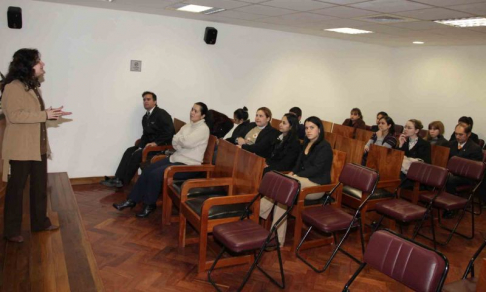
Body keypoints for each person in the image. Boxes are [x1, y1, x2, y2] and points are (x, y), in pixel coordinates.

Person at [1, 48, 71, 243]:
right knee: (16, 190)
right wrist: (44, 115)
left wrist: (49, 113)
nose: (43, 64)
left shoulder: (32, 87)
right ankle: (11, 230)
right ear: (27, 65)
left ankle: (40, 222)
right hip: (21, 148)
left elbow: (32, 115)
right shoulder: (12, 87)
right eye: (39, 61)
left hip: (37, 147)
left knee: (40, 187)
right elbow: (14, 116)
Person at [113, 102, 210, 218]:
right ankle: (132, 200)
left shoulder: (203, 129)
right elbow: (175, 141)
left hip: (190, 165)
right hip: (176, 158)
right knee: (148, 169)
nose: (192, 112)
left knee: (156, 175)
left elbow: (186, 142)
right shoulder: (188, 126)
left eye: (196, 111)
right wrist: (181, 141)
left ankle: (149, 204)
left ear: (203, 116)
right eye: (192, 109)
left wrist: (181, 140)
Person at [260, 117, 333, 246]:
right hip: (300, 182)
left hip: (316, 186)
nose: (308, 131)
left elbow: (316, 169)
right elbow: (298, 163)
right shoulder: (306, 142)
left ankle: (258, 212)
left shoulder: (325, 147)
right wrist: (293, 172)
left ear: (319, 129)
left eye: (312, 128)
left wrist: (295, 175)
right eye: (306, 128)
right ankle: (277, 238)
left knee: (285, 185)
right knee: (283, 192)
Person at [101, 91, 175, 188]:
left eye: (148, 99)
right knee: (129, 150)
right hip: (148, 146)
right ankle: (117, 178)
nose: (145, 101)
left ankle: (124, 181)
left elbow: (170, 132)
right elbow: (145, 135)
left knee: (137, 154)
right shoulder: (145, 117)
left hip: (160, 147)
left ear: (155, 102)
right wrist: (140, 146)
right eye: (144, 100)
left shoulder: (162, 114)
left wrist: (156, 143)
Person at [443, 123, 483, 218]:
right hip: (450, 172)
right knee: (439, 174)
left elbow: (473, 169)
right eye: (456, 134)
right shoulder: (451, 144)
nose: (457, 136)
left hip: (465, 177)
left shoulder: (475, 148)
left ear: (468, 134)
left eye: (461, 134)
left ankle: (451, 207)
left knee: (449, 179)